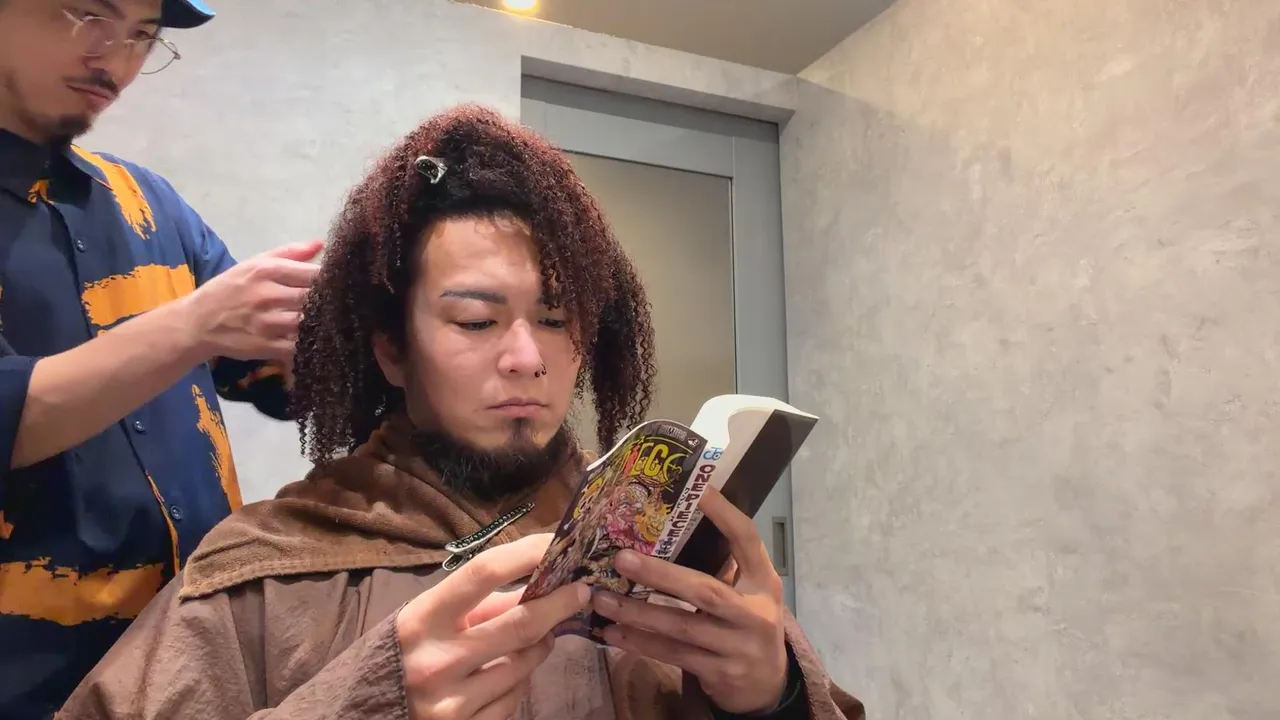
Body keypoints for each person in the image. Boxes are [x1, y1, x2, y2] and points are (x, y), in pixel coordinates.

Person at [58, 104, 865, 720]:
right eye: (477, 321)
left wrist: (775, 697)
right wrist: (365, 701)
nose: (527, 357)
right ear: (392, 351)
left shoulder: (661, 546)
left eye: (556, 319)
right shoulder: (261, 572)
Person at [0, 0, 321, 715]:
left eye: (144, 36)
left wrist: (392, 334)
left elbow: (266, 369)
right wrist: (195, 325)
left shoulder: (147, 201)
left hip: (197, 662)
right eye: (89, 14)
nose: (115, 58)